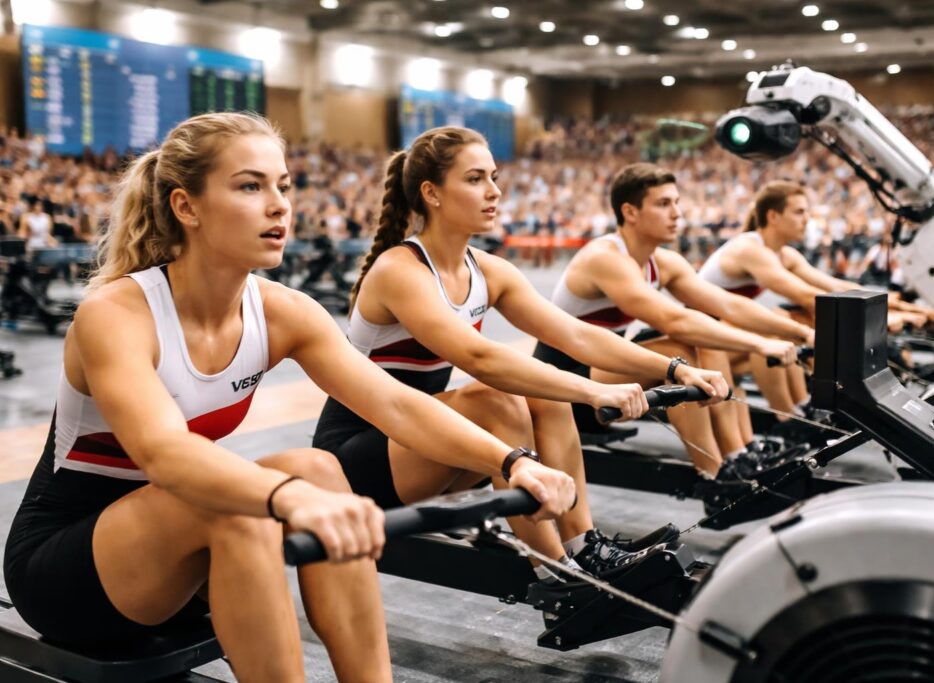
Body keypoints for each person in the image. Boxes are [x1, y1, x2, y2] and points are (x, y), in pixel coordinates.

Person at [3, 113, 575, 683]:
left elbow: (398, 406)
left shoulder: (284, 312)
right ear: (187, 207)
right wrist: (287, 500)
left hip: (178, 553)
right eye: (250, 186)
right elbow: (165, 454)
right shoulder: (116, 313)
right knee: (244, 502)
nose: (279, 205)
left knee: (317, 466)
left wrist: (512, 462)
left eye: (284, 185)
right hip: (68, 569)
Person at [313, 126, 729, 577]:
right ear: (431, 193)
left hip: (420, 440)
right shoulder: (399, 269)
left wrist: (673, 368)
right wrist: (592, 391)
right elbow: (480, 359)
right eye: (475, 179)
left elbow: (577, 335)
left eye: (494, 177)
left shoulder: (489, 270)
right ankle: (555, 571)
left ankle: (582, 546)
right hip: (356, 462)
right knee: (495, 397)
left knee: (544, 395)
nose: (494, 191)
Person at [535, 163, 812, 476]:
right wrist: (761, 344)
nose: (677, 213)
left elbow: (727, 305)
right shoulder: (605, 258)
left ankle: (740, 452)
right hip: (564, 389)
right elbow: (673, 321)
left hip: (603, 371)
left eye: (677, 202)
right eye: (663, 204)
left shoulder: (664, 262)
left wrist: (799, 332)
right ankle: (715, 474)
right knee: (677, 354)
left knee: (707, 338)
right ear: (631, 211)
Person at [699, 180, 933, 416]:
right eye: (799, 212)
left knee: (796, 319)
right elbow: (807, 296)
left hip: (721, 333)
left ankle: (805, 404)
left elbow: (838, 286)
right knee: (782, 323)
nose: (807, 219)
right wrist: (887, 317)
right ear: (773, 216)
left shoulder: (785, 254)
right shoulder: (748, 249)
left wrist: (910, 310)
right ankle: (789, 417)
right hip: (700, 340)